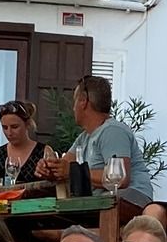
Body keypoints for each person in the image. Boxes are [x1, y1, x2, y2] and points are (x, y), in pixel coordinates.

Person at [65, 75, 153, 209]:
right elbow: (64, 165)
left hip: (132, 199)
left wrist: (73, 171)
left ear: (83, 101)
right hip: (105, 201)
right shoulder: (84, 138)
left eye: (75, 101)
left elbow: (119, 178)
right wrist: (49, 168)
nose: (73, 108)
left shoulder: (113, 131)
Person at [0, 99, 59, 189]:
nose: (9, 133)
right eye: (5, 127)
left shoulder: (44, 151)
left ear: (27, 124)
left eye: (15, 127)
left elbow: (54, 185)